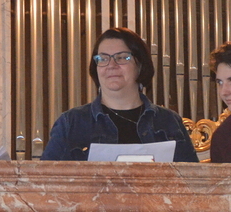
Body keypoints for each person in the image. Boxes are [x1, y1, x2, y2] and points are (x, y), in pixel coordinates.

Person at [41, 27, 199, 162]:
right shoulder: (71, 123)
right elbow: (44, 181)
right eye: (103, 58)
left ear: (140, 64)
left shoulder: (169, 122)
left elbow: (192, 181)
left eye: (122, 57)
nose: (111, 65)